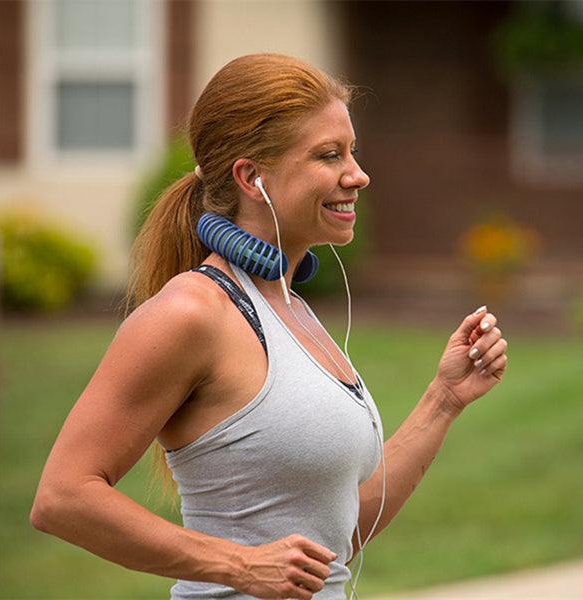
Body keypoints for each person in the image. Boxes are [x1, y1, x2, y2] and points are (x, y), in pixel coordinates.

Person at [31, 53, 508, 600]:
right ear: (252, 177)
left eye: (352, 152)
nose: (358, 175)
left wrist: (444, 399)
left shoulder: (294, 311)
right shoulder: (191, 312)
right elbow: (63, 497)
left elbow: (338, 536)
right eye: (330, 155)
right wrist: (237, 565)